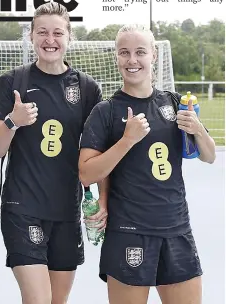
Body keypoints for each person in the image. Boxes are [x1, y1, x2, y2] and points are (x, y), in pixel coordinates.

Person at [78, 24, 216, 304]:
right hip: (129, 232)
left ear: (153, 55)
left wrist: (198, 129)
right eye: (124, 52)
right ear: (116, 57)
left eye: (140, 52)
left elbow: (209, 156)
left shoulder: (174, 103)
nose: (132, 60)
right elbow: (86, 172)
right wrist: (127, 140)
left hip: (176, 229)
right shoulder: (105, 112)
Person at [0, 1, 107, 304]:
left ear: (69, 37)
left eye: (57, 33)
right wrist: (14, 121)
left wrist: (104, 199)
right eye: (42, 32)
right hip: (23, 207)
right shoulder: (13, 82)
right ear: (31, 35)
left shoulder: (87, 89)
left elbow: (97, 154)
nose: (49, 40)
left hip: (66, 210)